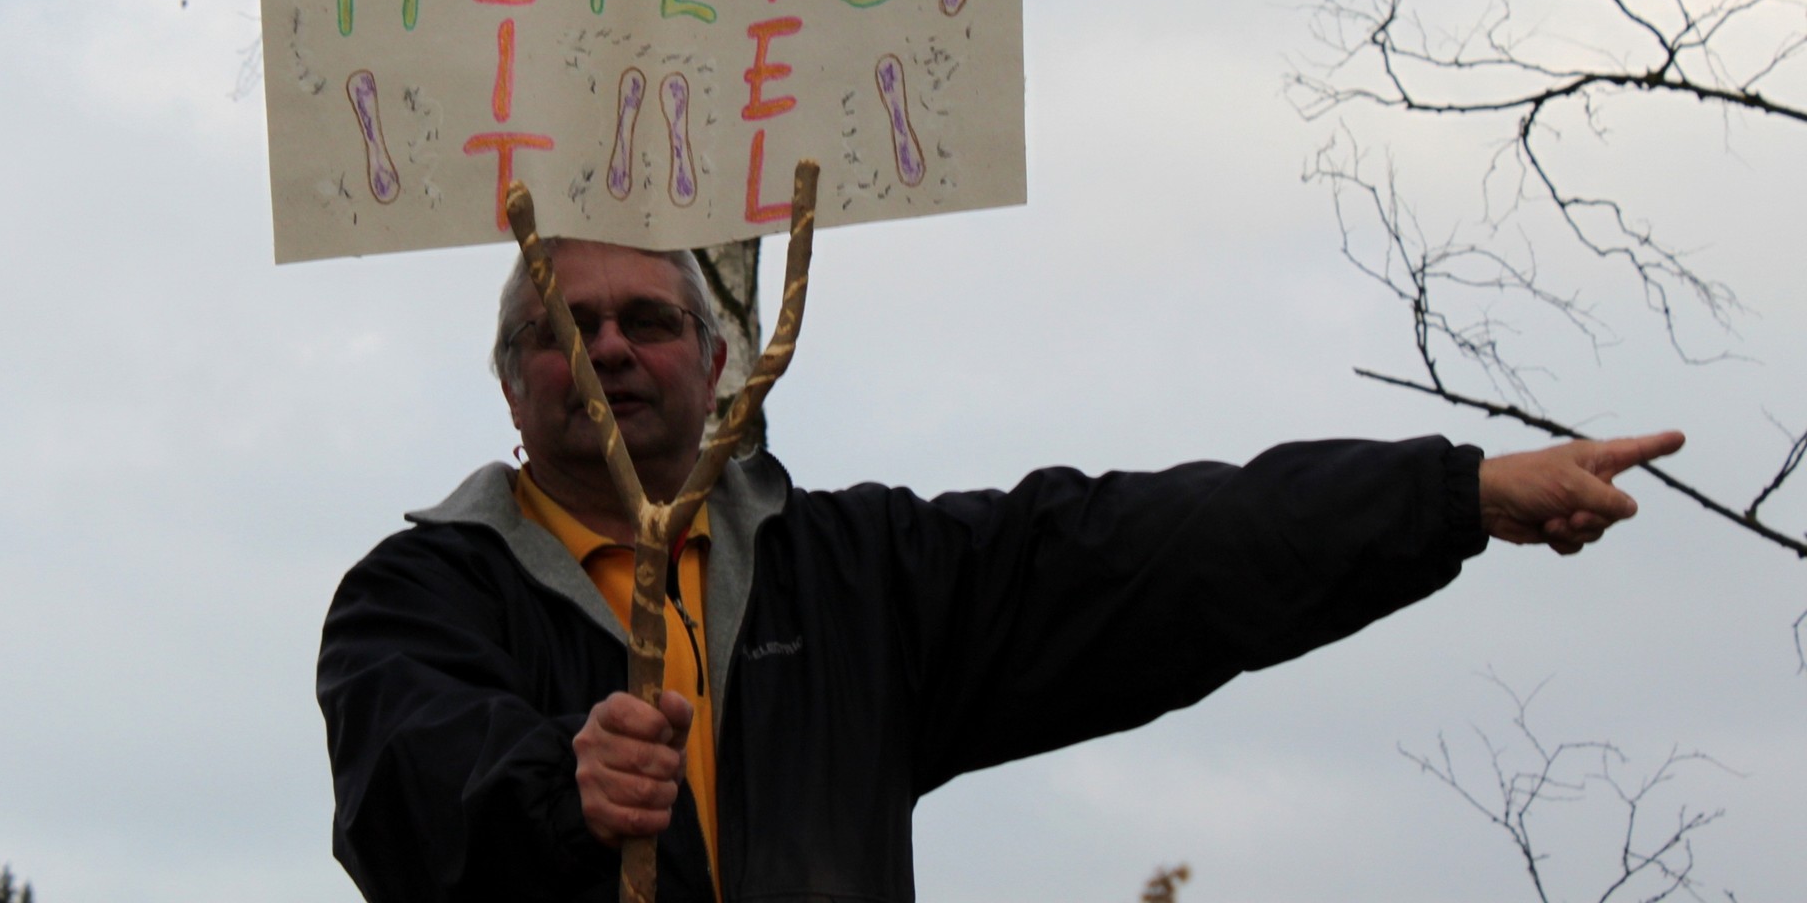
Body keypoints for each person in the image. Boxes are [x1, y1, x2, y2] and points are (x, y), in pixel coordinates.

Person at [316, 239, 1684, 903]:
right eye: (565, 328)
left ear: (719, 363)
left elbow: (1146, 554)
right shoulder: (418, 595)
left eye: (647, 320)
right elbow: (406, 780)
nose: (610, 348)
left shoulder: (853, 580)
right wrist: (555, 784)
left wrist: (1453, 495)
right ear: (512, 382)